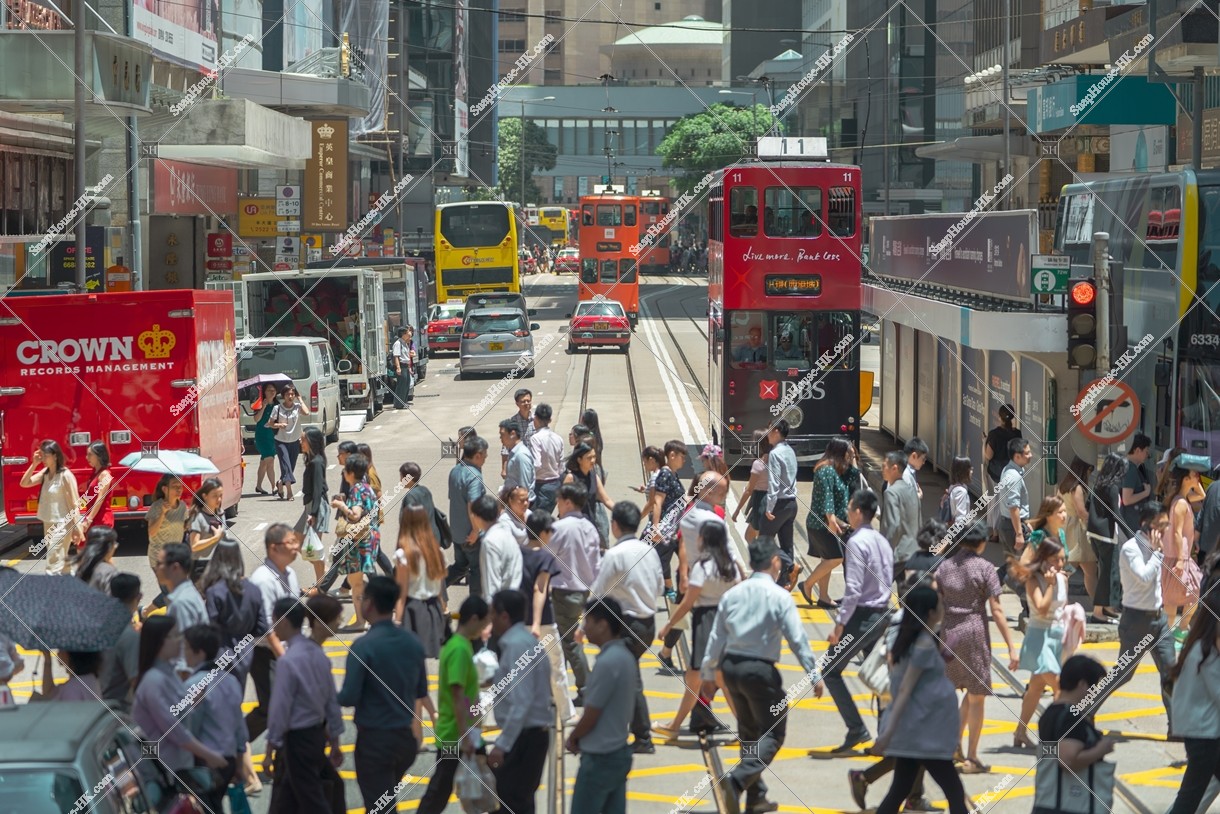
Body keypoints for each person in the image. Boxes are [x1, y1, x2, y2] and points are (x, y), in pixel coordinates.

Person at [703, 538, 824, 814]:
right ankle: (737, 782)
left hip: (731, 668)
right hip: (759, 671)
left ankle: (755, 797)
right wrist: (814, 675)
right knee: (773, 733)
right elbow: (797, 639)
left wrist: (710, 674)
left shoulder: (733, 594)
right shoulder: (780, 596)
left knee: (748, 733)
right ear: (774, 562)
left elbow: (716, 636)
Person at [870, 585, 970, 814]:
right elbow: (905, 689)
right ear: (930, 612)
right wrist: (886, 736)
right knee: (954, 791)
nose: (943, 608)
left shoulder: (910, 638)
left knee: (900, 788)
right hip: (923, 732)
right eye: (940, 604)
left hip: (917, 729)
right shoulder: (923, 643)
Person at [337, 576, 430, 812]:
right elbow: (421, 691)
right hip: (405, 740)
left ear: (371, 603)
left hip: (375, 741)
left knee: (379, 805)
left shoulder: (363, 646)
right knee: (386, 800)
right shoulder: (413, 643)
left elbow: (348, 697)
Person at [938, 522, 1017, 774]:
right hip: (974, 633)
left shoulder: (944, 567)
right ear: (982, 543)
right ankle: (971, 757)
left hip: (948, 634)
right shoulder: (986, 568)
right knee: (977, 697)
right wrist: (1011, 646)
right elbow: (997, 610)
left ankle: (951, 745)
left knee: (955, 694)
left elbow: (937, 606)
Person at [655, 520, 743, 740]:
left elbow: (687, 602)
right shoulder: (731, 566)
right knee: (710, 677)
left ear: (705, 540)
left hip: (705, 621)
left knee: (700, 677)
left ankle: (675, 727)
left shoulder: (702, 567)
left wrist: (668, 624)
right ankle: (675, 725)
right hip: (728, 622)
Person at [589, 502, 665, 755]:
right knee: (628, 676)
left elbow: (597, 592)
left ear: (615, 526)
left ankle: (643, 738)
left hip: (627, 626)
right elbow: (660, 589)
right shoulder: (649, 551)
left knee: (630, 680)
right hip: (648, 624)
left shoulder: (615, 554)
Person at [826, 489, 893, 753]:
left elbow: (852, 589)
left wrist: (840, 623)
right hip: (883, 616)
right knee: (879, 676)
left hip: (860, 618)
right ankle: (884, 737)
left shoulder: (855, 542)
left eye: (849, 508)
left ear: (857, 512)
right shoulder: (882, 541)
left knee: (830, 671)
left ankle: (856, 729)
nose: (847, 514)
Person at [265, 596, 345, 814]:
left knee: (311, 798)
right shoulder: (318, 655)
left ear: (282, 621)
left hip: (297, 739)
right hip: (316, 736)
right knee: (288, 797)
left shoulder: (288, 661)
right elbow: (331, 702)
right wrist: (336, 739)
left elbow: (280, 708)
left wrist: (270, 746)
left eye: (273, 621)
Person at [1110, 501, 1178, 735]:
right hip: (1136, 622)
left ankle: (1176, 728)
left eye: (1166, 524)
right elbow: (1144, 577)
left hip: (1159, 621)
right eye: (1161, 525)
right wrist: (1158, 554)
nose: (1165, 530)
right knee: (1122, 675)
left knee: (1171, 672)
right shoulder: (1131, 549)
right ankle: (1084, 711)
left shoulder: (1153, 547)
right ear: (1146, 526)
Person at [418, 597, 490, 814]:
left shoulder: (458, 645)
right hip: (456, 735)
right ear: (474, 619)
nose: (486, 628)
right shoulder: (459, 649)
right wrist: (465, 736)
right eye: (484, 622)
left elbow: (463, 687)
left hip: (461, 733)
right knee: (440, 789)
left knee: (447, 787)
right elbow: (457, 694)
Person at [566, 597, 638, 814]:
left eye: (587, 622)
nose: (584, 628)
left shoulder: (607, 662)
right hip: (618, 753)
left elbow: (592, 713)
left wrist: (573, 737)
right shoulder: (625, 656)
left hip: (599, 760)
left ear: (603, 625)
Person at [132, 617, 229, 774]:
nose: (181, 640)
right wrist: (208, 755)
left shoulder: (170, 674)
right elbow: (173, 729)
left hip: (179, 764)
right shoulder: (153, 681)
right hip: (162, 771)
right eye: (175, 635)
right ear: (160, 642)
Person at [486, 589, 553, 814]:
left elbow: (521, 701)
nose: (490, 619)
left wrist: (502, 745)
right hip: (529, 735)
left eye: (492, 614)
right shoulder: (525, 642)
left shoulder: (516, 646)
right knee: (521, 802)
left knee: (510, 801)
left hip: (524, 738)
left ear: (504, 616)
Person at [246, 523, 301, 774]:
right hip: (266, 653)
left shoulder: (290, 574)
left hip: (287, 651)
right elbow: (268, 628)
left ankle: (281, 760)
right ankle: (234, 745)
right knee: (271, 708)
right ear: (274, 547)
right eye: (291, 542)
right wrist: (286, 660)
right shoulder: (262, 580)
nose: (296, 546)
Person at [1033, 656, 1115, 813]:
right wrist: (1101, 749)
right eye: (1093, 686)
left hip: (1048, 802)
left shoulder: (1051, 713)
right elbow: (1067, 761)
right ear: (1082, 684)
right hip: (1072, 805)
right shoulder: (1071, 717)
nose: (1093, 693)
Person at [182, 624, 249, 812]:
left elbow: (190, 727)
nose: (184, 652)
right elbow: (239, 725)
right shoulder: (230, 680)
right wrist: (240, 761)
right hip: (228, 759)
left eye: (187, 647)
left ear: (199, 652)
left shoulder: (193, 685)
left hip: (204, 759)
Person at [1166, 588, 1220, 814]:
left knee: (1195, 792)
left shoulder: (1200, 647)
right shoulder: (1205, 653)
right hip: (1204, 736)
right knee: (1190, 797)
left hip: (1202, 733)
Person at [1011, 538, 1068, 747]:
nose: (1060, 564)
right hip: (1038, 638)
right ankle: (1055, 738)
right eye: (1055, 559)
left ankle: (1020, 732)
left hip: (1056, 637)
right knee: (1060, 687)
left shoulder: (1063, 578)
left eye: (1063, 559)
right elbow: (1042, 608)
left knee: (1035, 688)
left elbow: (1062, 609)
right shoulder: (1034, 580)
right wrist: (1051, 585)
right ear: (1044, 558)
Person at [549, 483, 602, 708]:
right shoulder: (589, 527)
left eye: (559, 501)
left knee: (568, 642)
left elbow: (546, 556)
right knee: (564, 640)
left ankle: (586, 687)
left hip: (564, 591)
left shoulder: (560, 528)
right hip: (583, 591)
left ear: (568, 502)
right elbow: (596, 563)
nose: (557, 505)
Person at [522, 511, 577, 720]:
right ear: (543, 532)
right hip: (542, 622)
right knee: (556, 667)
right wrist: (536, 622)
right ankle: (566, 713)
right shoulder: (544, 557)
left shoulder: (517, 553)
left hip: (519, 621)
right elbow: (540, 588)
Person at [200, 540, 266, 688]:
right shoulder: (253, 589)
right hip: (245, 654)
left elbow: (210, 628)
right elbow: (262, 628)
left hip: (219, 655)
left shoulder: (214, 592)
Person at [799, 436, 851, 607]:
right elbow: (828, 498)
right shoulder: (826, 470)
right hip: (822, 524)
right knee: (836, 558)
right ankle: (807, 584)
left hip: (824, 523)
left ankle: (823, 596)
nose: (850, 455)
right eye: (848, 452)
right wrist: (832, 521)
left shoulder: (831, 469)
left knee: (827, 559)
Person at [330, 453, 380, 630]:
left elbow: (355, 515)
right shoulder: (367, 487)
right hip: (371, 537)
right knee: (356, 581)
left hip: (359, 541)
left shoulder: (357, 489)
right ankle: (371, 609)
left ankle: (360, 621)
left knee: (355, 582)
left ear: (350, 473)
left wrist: (340, 505)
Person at [22, 439, 81, 575]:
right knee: (63, 563)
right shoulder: (45, 473)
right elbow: (25, 483)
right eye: (41, 455)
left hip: (62, 524)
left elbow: (74, 503)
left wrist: (77, 528)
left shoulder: (65, 475)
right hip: (48, 522)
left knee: (52, 564)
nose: (42, 458)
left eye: (45, 455)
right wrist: (34, 464)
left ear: (55, 456)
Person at [395, 504, 447, 658]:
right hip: (434, 609)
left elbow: (401, 593)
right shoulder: (438, 552)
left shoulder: (403, 554)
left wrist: (397, 621)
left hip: (413, 610)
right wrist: (443, 611)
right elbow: (439, 589)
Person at [1164, 455, 1207, 638]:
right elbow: (1177, 532)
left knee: (1181, 597)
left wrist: (1195, 483)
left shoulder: (1182, 499)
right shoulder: (1181, 503)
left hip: (1179, 556)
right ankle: (1175, 631)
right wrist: (1181, 560)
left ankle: (1175, 631)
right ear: (1185, 478)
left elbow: (1202, 496)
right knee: (1181, 597)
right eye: (1193, 474)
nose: (1197, 476)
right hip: (1178, 557)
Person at [1088, 452, 1128, 620]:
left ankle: (1108, 608)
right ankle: (1098, 611)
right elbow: (1116, 515)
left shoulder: (1098, 484)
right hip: (1107, 535)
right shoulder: (1111, 487)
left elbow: (1087, 505)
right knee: (1107, 574)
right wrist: (1133, 536)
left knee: (1108, 572)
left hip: (1094, 533)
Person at [762, 421, 801, 590]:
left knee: (764, 540)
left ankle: (792, 566)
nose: (767, 433)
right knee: (787, 544)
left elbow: (774, 482)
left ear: (777, 431)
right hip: (792, 503)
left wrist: (769, 507)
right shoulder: (790, 450)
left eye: (769, 430)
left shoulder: (775, 454)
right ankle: (785, 581)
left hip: (779, 503)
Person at [447, 434, 488, 594]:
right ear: (477, 455)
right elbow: (474, 505)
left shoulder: (455, 470)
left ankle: (437, 589)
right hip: (471, 535)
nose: (485, 459)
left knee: (460, 566)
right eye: (484, 456)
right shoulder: (475, 476)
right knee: (477, 570)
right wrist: (475, 531)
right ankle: (475, 607)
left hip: (457, 532)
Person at [143, 475, 187, 617]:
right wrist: (162, 513)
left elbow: (183, 527)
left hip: (175, 557)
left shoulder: (183, 507)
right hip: (159, 558)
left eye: (180, 486)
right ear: (164, 489)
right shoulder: (156, 507)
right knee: (171, 592)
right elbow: (151, 532)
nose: (178, 489)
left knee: (173, 591)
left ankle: (146, 612)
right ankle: (149, 613)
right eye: (174, 486)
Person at [1058, 457, 1098, 608]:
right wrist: (1094, 524)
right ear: (1084, 470)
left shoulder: (1064, 485)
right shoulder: (1078, 488)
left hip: (1065, 527)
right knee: (1080, 570)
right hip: (1077, 530)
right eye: (1090, 470)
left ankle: (1062, 602)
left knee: (1079, 569)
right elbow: (1081, 512)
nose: (1090, 473)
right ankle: (1096, 604)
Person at [100, 573, 141, 711]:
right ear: (138, 597)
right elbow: (136, 681)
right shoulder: (129, 636)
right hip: (120, 709)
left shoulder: (101, 627)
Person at [565, 442, 615, 548]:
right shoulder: (571, 478)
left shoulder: (593, 476)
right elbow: (562, 505)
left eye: (594, 457)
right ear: (579, 460)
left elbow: (606, 500)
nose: (593, 461)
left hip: (590, 526)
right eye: (589, 458)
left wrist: (620, 510)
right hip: (574, 528)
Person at [298, 426, 331, 589]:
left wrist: (314, 513)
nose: (300, 441)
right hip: (310, 506)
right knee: (298, 541)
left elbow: (318, 490)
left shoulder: (317, 462)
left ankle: (319, 586)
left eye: (303, 439)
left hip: (316, 507)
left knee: (313, 546)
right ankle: (322, 568)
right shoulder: (311, 460)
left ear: (311, 442)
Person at [881, 450, 921, 580]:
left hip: (898, 554)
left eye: (884, 466)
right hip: (914, 552)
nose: (882, 469)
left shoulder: (891, 493)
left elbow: (892, 525)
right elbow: (918, 520)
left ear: (894, 468)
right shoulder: (912, 490)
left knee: (874, 590)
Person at [186, 477, 236, 580]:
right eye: (214, 496)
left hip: (218, 564)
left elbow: (224, 537)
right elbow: (194, 545)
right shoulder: (198, 517)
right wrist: (215, 538)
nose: (219, 499)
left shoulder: (220, 513)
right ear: (205, 496)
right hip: (201, 566)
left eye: (220, 495)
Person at [481, 489, 526, 599]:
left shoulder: (529, 515)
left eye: (527, 500)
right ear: (510, 501)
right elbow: (492, 579)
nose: (525, 504)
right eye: (521, 500)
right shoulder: (504, 522)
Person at [270, 384, 310, 501]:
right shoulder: (277, 408)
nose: (290, 396)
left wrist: (300, 399)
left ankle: (281, 482)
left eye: (292, 394)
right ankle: (289, 491)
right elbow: (270, 423)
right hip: (281, 441)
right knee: (286, 465)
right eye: (288, 394)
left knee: (290, 467)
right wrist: (279, 425)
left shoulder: (297, 407)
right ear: (283, 396)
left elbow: (307, 412)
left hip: (294, 441)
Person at [997, 437, 1033, 557]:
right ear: (1017, 456)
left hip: (1009, 524)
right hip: (1012, 527)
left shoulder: (1008, 470)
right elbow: (1013, 507)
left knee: (1012, 566)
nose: (1031, 455)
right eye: (1027, 453)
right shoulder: (1014, 477)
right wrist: (1019, 534)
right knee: (1021, 567)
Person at [158, 542, 207, 631]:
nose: (156, 567)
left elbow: (185, 642)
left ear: (175, 568)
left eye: (159, 563)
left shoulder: (180, 603)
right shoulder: (187, 592)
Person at [733, 435, 771, 544]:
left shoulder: (758, 464)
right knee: (753, 536)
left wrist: (737, 511)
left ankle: (764, 560)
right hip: (775, 501)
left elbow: (749, 490)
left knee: (756, 539)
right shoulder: (778, 461)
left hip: (761, 502)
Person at [530, 403, 566, 514]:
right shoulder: (558, 438)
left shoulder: (535, 438)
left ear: (535, 418)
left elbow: (536, 464)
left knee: (537, 521)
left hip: (541, 486)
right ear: (550, 420)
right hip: (555, 484)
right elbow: (562, 466)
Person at [79, 441, 114, 538]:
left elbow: (100, 499)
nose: (87, 457)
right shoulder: (95, 473)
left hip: (101, 519)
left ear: (99, 456)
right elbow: (89, 496)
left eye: (90, 454)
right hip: (92, 517)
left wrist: (89, 520)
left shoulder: (105, 475)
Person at [1121, 433, 1154, 534]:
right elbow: (1127, 499)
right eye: (1146, 451)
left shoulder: (1123, 464)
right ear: (1137, 450)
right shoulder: (1131, 469)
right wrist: (1146, 493)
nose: (1147, 455)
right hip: (1130, 523)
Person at [252, 382, 281, 493]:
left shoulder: (277, 406)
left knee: (264, 462)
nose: (272, 392)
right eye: (269, 390)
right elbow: (256, 419)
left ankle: (259, 486)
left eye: (274, 390)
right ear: (264, 392)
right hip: (262, 436)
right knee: (270, 461)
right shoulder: (258, 404)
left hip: (273, 436)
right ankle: (273, 486)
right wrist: (263, 406)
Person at [983, 404, 1020, 488]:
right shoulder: (1017, 433)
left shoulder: (994, 434)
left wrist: (985, 441)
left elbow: (988, 456)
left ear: (999, 417)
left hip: (996, 475)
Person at [501, 389, 535, 478]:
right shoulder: (513, 422)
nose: (527, 403)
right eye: (523, 401)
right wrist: (504, 469)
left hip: (535, 464)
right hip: (518, 464)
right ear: (517, 404)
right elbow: (506, 448)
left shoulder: (537, 420)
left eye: (528, 400)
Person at [502, 419, 537, 505]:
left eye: (502, 435)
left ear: (513, 434)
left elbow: (524, 486)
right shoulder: (514, 452)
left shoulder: (521, 455)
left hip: (520, 504)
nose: (500, 438)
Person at [75, 525, 118, 594]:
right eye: (115, 543)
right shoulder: (108, 571)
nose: (115, 547)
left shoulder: (83, 566)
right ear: (109, 547)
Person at [391, 326, 416, 408]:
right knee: (401, 386)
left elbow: (407, 357)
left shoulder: (405, 343)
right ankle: (399, 404)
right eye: (408, 332)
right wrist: (398, 367)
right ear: (403, 334)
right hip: (401, 366)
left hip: (406, 366)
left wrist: (409, 367)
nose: (409, 333)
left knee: (406, 385)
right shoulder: (398, 343)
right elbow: (396, 356)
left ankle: (403, 402)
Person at [946, 456, 972, 523]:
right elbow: (960, 518)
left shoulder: (953, 487)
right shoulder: (961, 492)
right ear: (963, 471)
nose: (971, 471)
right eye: (970, 469)